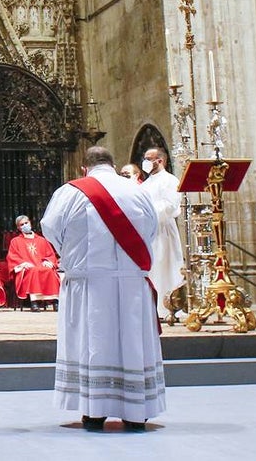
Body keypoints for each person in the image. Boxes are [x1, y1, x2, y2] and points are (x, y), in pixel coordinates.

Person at [41, 145, 164, 432]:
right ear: (114, 163)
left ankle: (94, 410)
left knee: (92, 342)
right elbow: (151, 230)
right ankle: (135, 411)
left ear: (84, 168)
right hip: (131, 281)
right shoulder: (137, 190)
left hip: (87, 283)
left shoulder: (70, 192)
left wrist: (72, 258)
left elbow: (51, 229)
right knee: (131, 343)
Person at [140, 147, 185, 320]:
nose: (146, 162)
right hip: (147, 231)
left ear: (160, 160)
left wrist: (149, 214)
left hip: (163, 229)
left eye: (149, 158)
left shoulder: (169, 180)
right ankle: (153, 307)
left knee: (165, 265)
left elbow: (170, 205)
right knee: (152, 268)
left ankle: (169, 307)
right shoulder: (146, 183)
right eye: (145, 158)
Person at [6, 214, 60, 310]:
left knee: (50, 271)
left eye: (26, 223)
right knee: (34, 271)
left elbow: (50, 254)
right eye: (22, 224)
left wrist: (48, 261)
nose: (25, 225)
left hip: (41, 266)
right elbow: (12, 256)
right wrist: (23, 263)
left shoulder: (42, 240)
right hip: (27, 269)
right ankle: (34, 302)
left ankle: (55, 301)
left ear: (30, 223)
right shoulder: (15, 241)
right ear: (18, 227)